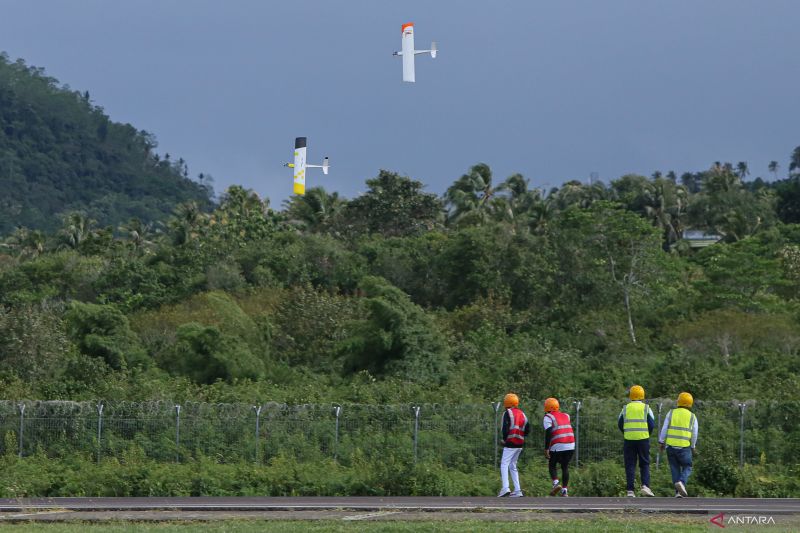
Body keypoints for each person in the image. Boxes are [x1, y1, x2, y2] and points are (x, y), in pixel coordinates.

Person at [659, 392, 699, 498]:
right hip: (684, 447)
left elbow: (664, 428)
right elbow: (694, 433)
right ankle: (682, 482)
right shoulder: (692, 417)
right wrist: (693, 446)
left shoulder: (671, 413)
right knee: (688, 466)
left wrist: (661, 442)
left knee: (674, 468)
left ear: (678, 401)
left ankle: (677, 493)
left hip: (670, 447)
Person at [618, 385, 655, 497]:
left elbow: (620, 424)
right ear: (642, 396)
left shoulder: (625, 408)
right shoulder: (646, 408)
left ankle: (630, 490)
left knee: (630, 464)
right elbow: (652, 424)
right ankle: (645, 486)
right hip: (643, 439)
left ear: (631, 396)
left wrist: (626, 432)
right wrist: (647, 433)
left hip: (629, 439)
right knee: (644, 463)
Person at [498, 392, 531, 497]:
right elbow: (527, 429)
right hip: (520, 443)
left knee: (504, 464)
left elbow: (505, 429)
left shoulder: (507, 413)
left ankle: (505, 488)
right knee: (513, 465)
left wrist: (504, 439)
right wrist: (520, 435)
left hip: (510, 443)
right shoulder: (522, 413)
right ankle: (518, 490)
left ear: (506, 403)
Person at [543, 397, 575, 497]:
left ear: (546, 408)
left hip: (558, 444)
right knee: (564, 466)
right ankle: (565, 490)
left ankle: (556, 483)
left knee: (552, 464)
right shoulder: (566, 415)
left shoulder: (548, 417)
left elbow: (548, 432)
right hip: (571, 444)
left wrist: (546, 448)